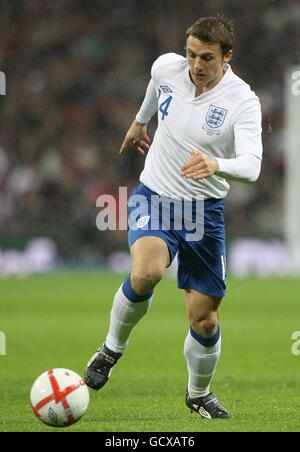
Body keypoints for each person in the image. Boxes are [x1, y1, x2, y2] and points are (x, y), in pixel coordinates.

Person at [85, 16, 263, 419]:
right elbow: (156, 86)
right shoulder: (169, 66)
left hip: (204, 214)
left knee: (205, 319)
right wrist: (139, 120)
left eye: (206, 58)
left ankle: (198, 393)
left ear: (226, 57)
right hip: (158, 198)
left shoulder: (242, 101)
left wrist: (216, 163)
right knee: (147, 272)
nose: (195, 65)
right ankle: (112, 348)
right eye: (190, 54)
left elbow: (252, 165)